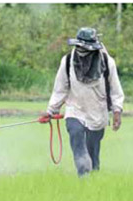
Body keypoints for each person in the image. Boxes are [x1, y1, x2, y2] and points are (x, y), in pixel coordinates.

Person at [46, 27, 124, 176]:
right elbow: (60, 89)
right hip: (74, 109)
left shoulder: (107, 62)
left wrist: (117, 112)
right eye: (79, 46)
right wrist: (51, 110)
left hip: (98, 113)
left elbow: (116, 90)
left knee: (92, 153)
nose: (81, 51)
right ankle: (82, 171)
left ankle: (92, 178)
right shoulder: (68, 61)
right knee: (76, 136)